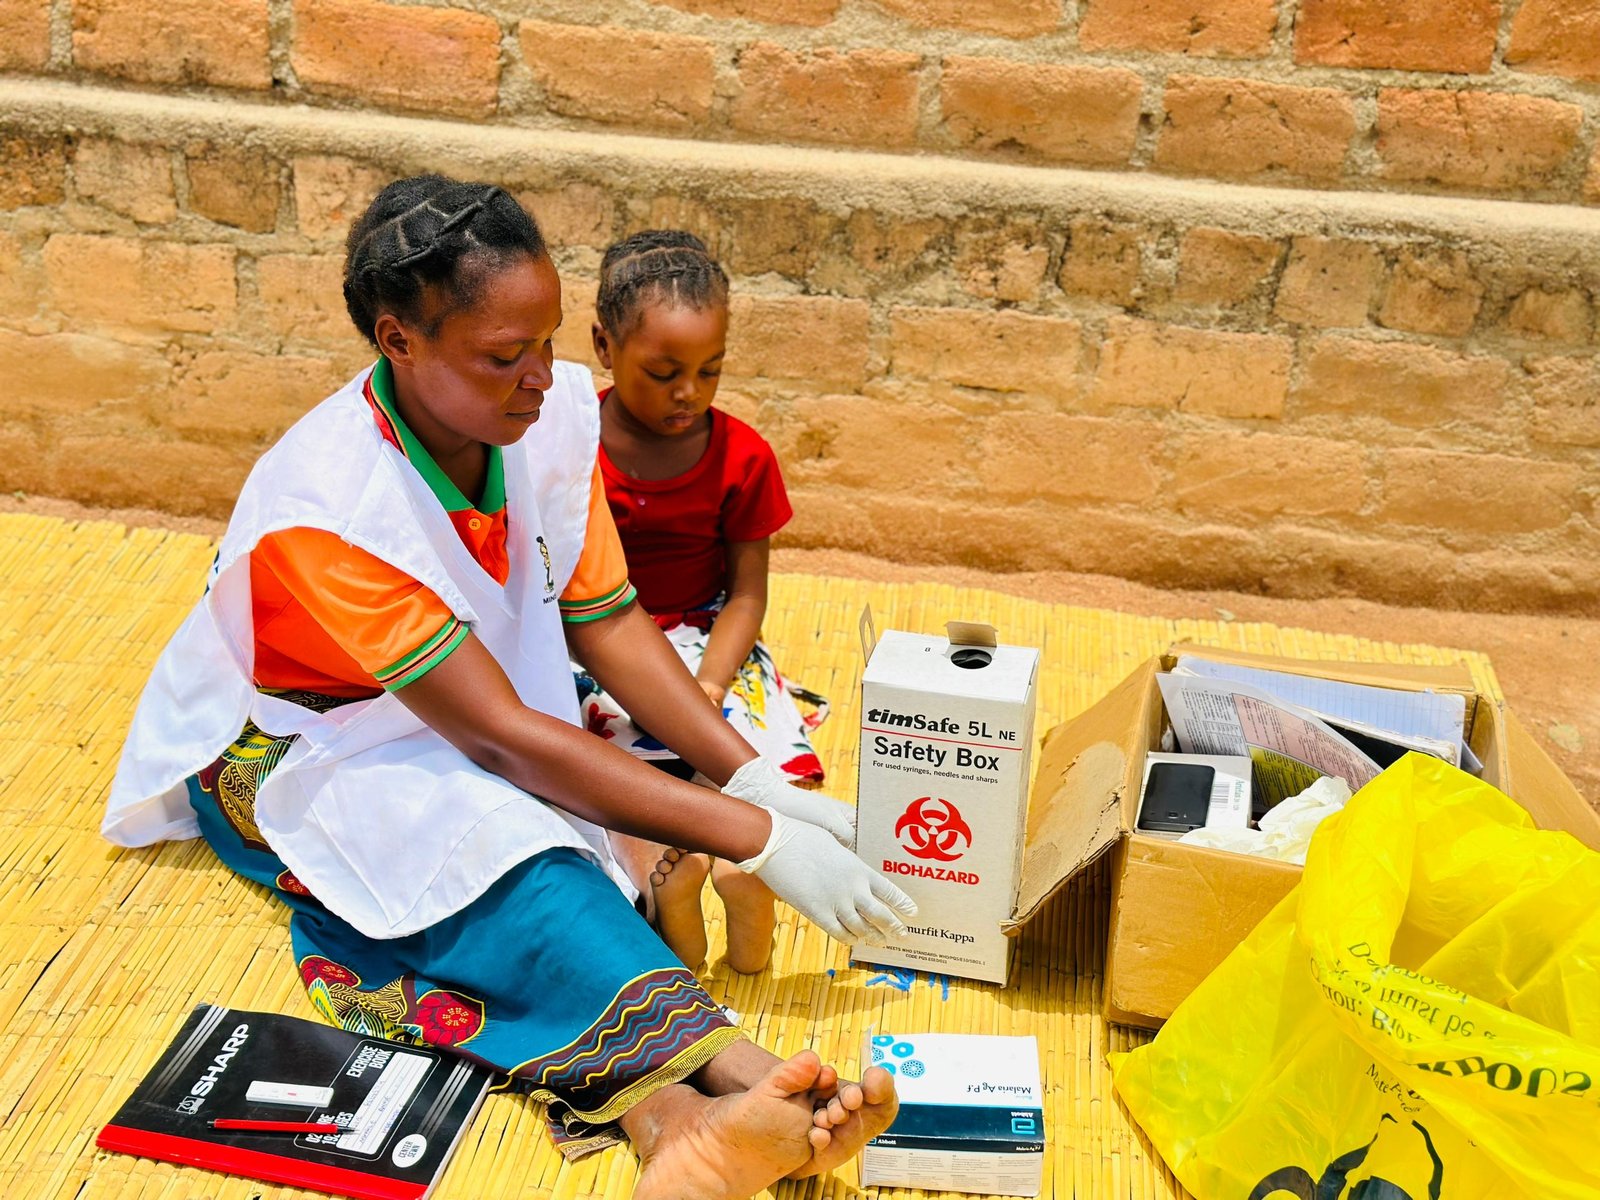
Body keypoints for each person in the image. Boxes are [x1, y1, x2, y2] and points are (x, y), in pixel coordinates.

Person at [101, 175, 914, 1200]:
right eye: (503, 356)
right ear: (398, 341)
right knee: (510, 848)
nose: (541, 377)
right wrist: (752, 837)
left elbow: (605, 620)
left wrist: (749, 778)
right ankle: (742, 1075)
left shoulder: (549, 421)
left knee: (568, 833)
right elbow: (499, 742)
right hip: (297, 751)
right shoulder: (328, 512)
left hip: (483, 716)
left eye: (549, 340)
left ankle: (678, 1119)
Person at [573, 230, 821, 976]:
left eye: (711, 370)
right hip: (596, 646)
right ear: (602, 345)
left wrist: (709, 683)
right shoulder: (567, 445)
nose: (690, 392)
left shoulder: (742, 455)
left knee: (747, 752)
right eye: (664, 371)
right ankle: (670, 887)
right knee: (598, 765)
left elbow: (748, 595)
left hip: (712, 642)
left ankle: (744, 881)